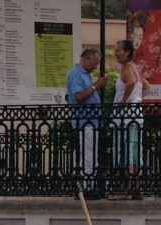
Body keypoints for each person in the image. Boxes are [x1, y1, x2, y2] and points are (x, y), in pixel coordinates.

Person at [110, 40, 150, 200]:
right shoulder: (136, 68)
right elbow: (146, 87)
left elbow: (132, 83)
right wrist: (137, 100)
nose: (116, 54)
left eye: (118, 51)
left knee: (124, 151)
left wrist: (123, 102)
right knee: (134, 152)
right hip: (135, 115)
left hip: (125, 117)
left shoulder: (127, 68)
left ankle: (127, 189)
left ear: (127, 52)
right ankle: (136, 188)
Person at [66, 48, 107, 196]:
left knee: (92, 154)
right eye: (95, 63)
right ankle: (86, 187)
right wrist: (97, 85)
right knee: (87, 155)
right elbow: (78, 96)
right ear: (86, 59)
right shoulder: (75, 74)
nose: (96, 66)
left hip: (92, 123)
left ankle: (91, 184)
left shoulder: (85, 75)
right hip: (84, 123)